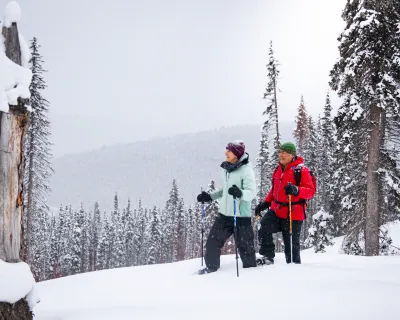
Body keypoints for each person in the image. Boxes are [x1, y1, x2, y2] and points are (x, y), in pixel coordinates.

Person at [196, 140, 257, 274]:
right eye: (226, 150)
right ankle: (211, 269)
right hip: (224, 215)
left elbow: (251, 192)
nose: (226, 153)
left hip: (241, 216)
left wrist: (240, 193)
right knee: (212, 242)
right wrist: (210, 196)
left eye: (229, 151)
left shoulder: (246, 170)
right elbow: (225, 190)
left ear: (236, 154)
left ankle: (252, 275)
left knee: (246, 250)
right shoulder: (226, 169)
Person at [255, 142, 315, 265]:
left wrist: (296, 190)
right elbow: (275, 189)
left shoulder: (301, 170)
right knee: (264, 226)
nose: (281, 155)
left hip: (293, 213)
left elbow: (310, 192)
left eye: (284, 152)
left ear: (292, 155)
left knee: (291, 245)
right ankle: (268, 257)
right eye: (280, 152)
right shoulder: (278, 169)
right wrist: (266, 203)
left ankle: (293, 269)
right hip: (277, 210)